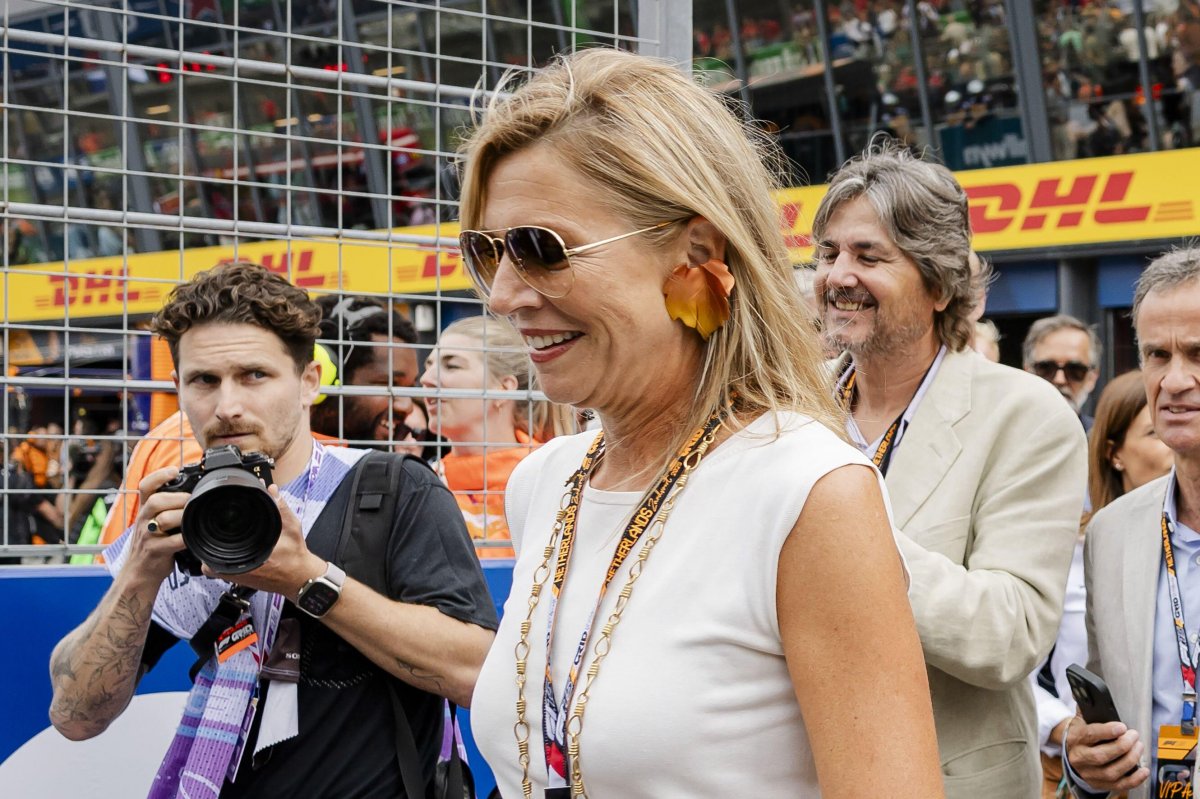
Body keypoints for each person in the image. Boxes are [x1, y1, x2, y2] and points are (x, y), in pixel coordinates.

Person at [460, 48, 943, 797]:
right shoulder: (543, 483)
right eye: (486, 251)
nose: (503, 294)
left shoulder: (807, 494)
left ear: (696, 252)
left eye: (539, 249)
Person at [49, 263, 497, 798]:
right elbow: (76, 715)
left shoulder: (391, 489)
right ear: (178, 387)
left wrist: (305, 578)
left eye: (254, 375)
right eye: (204, 381)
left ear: (309, 382)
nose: (228, 406)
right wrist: (142, 566)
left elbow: (477, 674)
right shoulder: (188, 513)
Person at [811, 141, 1087, 797]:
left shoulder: (1027, 415)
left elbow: (1010, 632)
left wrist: (847, 533)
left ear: (938, 284)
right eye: (829, 253)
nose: (837, 275)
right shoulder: (789, 410)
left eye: (868, 256)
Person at [98, 291, 422, 547]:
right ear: (321, 380)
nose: (406, 405)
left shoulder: (374, 472)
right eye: (385, 385)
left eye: (254, 375)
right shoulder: (211, 442)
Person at [1063, 247, 1200, 799]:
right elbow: (1106, 720)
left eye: (1197, 352)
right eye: (1156, 355)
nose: (1174, 380)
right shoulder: (1110, 534)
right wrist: (1087, 767)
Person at [1032, 370, 1173, 798]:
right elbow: (1017, 673)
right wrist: (1066, 732)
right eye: (1155, 433)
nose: (1175, 444)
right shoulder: (1071, 548)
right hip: (1083, 775)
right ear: (1114, 454)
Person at [419, 315, 553, 559]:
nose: (426, 379)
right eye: (429, 365)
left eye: (452, 366)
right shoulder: (423, 483)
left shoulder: (554, 475)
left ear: (503, 387)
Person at [1024, 314, 1103, 431]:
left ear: (1092, 378)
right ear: (1027, 373)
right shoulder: (1002, 438)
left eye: (1075, 369)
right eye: (1046, 368)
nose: (1060, 379)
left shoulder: (1106, 443)